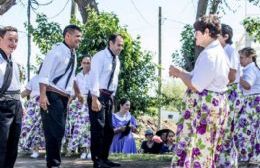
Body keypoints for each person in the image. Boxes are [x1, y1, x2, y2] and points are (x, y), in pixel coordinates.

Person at [169, 15, 230, 167]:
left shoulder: (211, 55)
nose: (194, 35)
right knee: (205, 149)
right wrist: (182, 71)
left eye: (196, 32)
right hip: (213, 107)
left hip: (205, 110)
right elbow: (201, 78)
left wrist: (179, 73)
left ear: (207, 31)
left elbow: (196, 85)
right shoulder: (216, 52)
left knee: (199, 149)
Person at [38, 25, 82, 168]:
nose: (79, 39)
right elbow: (44, 74)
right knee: (54, 131)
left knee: (59, 131)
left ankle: (54, 163)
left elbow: (72, 77)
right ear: (67, 36)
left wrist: (75, 94)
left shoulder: (73, 54)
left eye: (80, 37)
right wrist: (43, 96)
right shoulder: (56, 51)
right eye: (77, 36)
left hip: (63, 97)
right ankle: (53, 164)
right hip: (52, 94)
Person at [87, 33, 123, 168]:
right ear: (110, 43)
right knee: (98, 129)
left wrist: (112, 97)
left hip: (109, 97)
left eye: (122, 45)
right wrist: (95, 98)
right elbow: (94, 77)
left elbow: (114, 80)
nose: (121, 48)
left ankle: (104, 158)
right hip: (98, 95)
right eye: (118, 45)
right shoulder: (100, 56)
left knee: (109, 129)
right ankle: (97, 161)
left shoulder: (117, 59)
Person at [217, 23, 241, 167]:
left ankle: (229, 163)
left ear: (226, 37)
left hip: (230, 91)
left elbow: (231, 76)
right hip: (224, 90)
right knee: (221, 127)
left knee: (228, 128)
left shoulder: (230, 50)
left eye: (217, 34)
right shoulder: (219, 50)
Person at [0, 26, 22, 168]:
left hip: (16, 106)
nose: (13, 43)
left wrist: (22, 105)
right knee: (1, 145)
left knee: (13, 147)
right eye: (10, 39)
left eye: (16, 40)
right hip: (2, 106)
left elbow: (17, 86)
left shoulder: (15, 62)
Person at [234, 47, 260, 165]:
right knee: (252, 130)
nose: (240, 60)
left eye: (242, 57)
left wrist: (237, 77)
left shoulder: (250, 70)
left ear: (250, 57)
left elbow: (248, 85)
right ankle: (252, 156)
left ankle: (246, 157)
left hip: (252, 102)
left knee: (245, 130)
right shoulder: (252, 69)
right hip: (253, 102)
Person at [65, 56, 91, 159]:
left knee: (86, 126)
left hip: (89, 102)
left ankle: (88, 150)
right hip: (78, 103)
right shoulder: (77, 76)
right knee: (79, 126)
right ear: (81, 64)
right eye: (84, 62)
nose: (86, 64)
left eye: (88, 63)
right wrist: (67, 104)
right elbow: (73, 93)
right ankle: (83, 150)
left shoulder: (94, 75)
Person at [19, 73, 45, 159]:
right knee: (31, 126)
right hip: (33, 104)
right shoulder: (35, 78)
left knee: (45, 127)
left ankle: (49, 152)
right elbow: (27, 91)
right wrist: (16, 96)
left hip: (45, 103)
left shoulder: (50, 78)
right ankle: (35, 150)